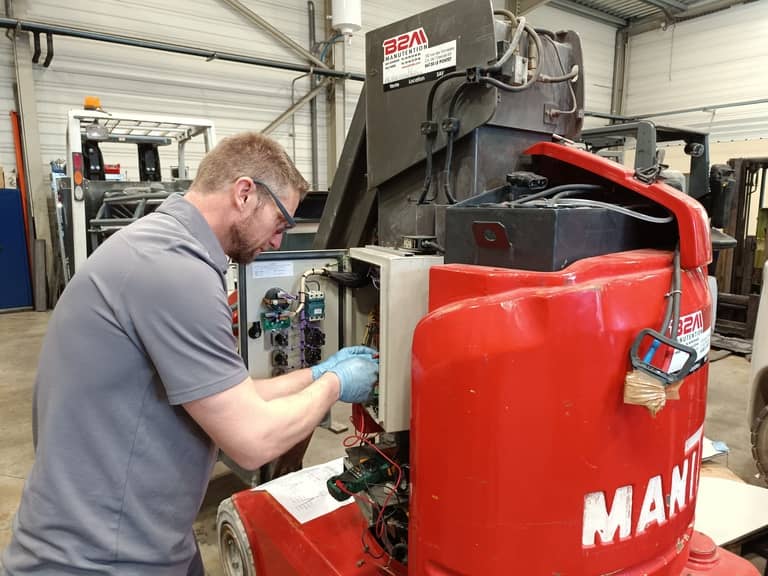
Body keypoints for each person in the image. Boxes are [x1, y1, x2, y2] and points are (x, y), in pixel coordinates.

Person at [0, 132, 379, 575]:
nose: (279, 242)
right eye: (280, 223)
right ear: (244, 194)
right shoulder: (175, 270)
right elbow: (252, 439)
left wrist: (316, 374)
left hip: (145, 539)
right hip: (98, 560)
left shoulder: (158, 246)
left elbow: (233, 395)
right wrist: (336, 385)